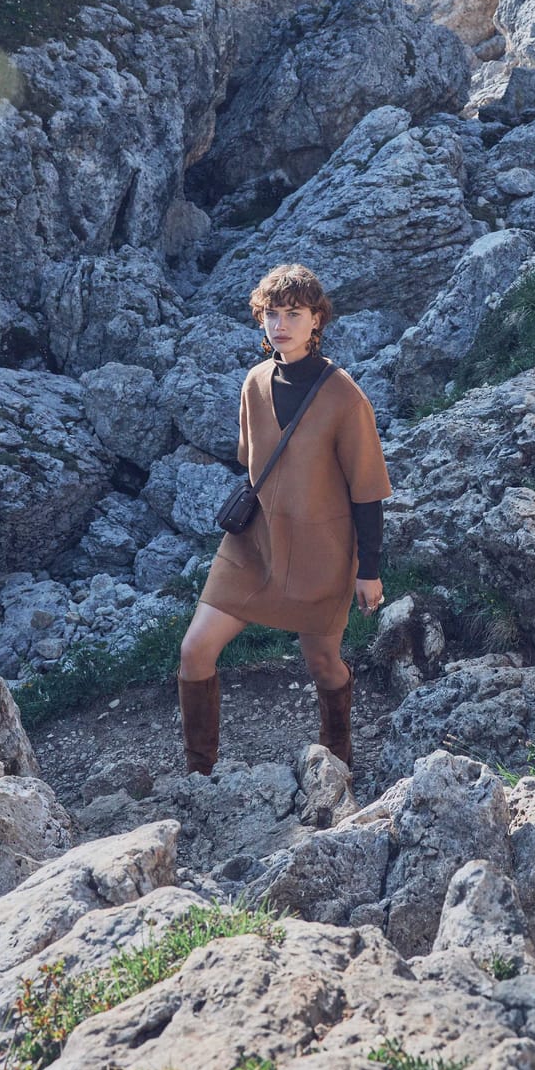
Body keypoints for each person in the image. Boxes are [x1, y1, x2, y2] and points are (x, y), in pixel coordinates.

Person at [177, 263, 391, 775]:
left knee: (322, 664)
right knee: (194, 649)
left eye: (294, 313)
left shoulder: (345, 397)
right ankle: (198, 775)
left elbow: (367, 492)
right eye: (272, 314)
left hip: (321, 554)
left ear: (317, 320)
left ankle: (338, 756)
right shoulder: (254, 382)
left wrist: (369, 570)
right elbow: (252, 463)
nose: (281, 325)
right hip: (254, 544)